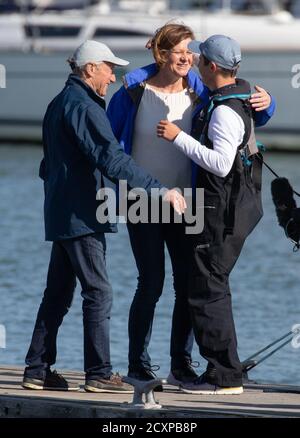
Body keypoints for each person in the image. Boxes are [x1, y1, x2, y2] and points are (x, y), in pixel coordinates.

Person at [107, 23, 275, 388]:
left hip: (191, 201)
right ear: (162, 54)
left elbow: (242, 109)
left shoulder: (199, 88)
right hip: (144, 201)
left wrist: (269, 102)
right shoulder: (133, 91)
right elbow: (107, 141)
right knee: (150, 284)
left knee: (189, 285)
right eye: (180, 50)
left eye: (191, 51)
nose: (188, 57)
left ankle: (180, 366)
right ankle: (138, 365)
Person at [22, 40, 185, 393]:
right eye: (110, 68)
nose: (113, 76)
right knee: (99, 292)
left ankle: (37, 368)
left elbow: (46, 165)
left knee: (58, 294)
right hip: (81, 214)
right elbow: (111, 158)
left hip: (64, 211)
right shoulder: (83, 106)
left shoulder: (60, 103)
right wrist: (160, 189)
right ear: (90, 68)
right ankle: (98, 373)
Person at [157, 34, 270, 394]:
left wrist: (177, 137)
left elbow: (221, 165)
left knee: (207, 291)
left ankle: (222, 376)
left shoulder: (223, 110)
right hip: (232, 211)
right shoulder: (236, 96)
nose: (194, 59)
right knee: (213, 288)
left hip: (220, 214)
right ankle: (225, 370)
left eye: (199, 57)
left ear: (213, 67)